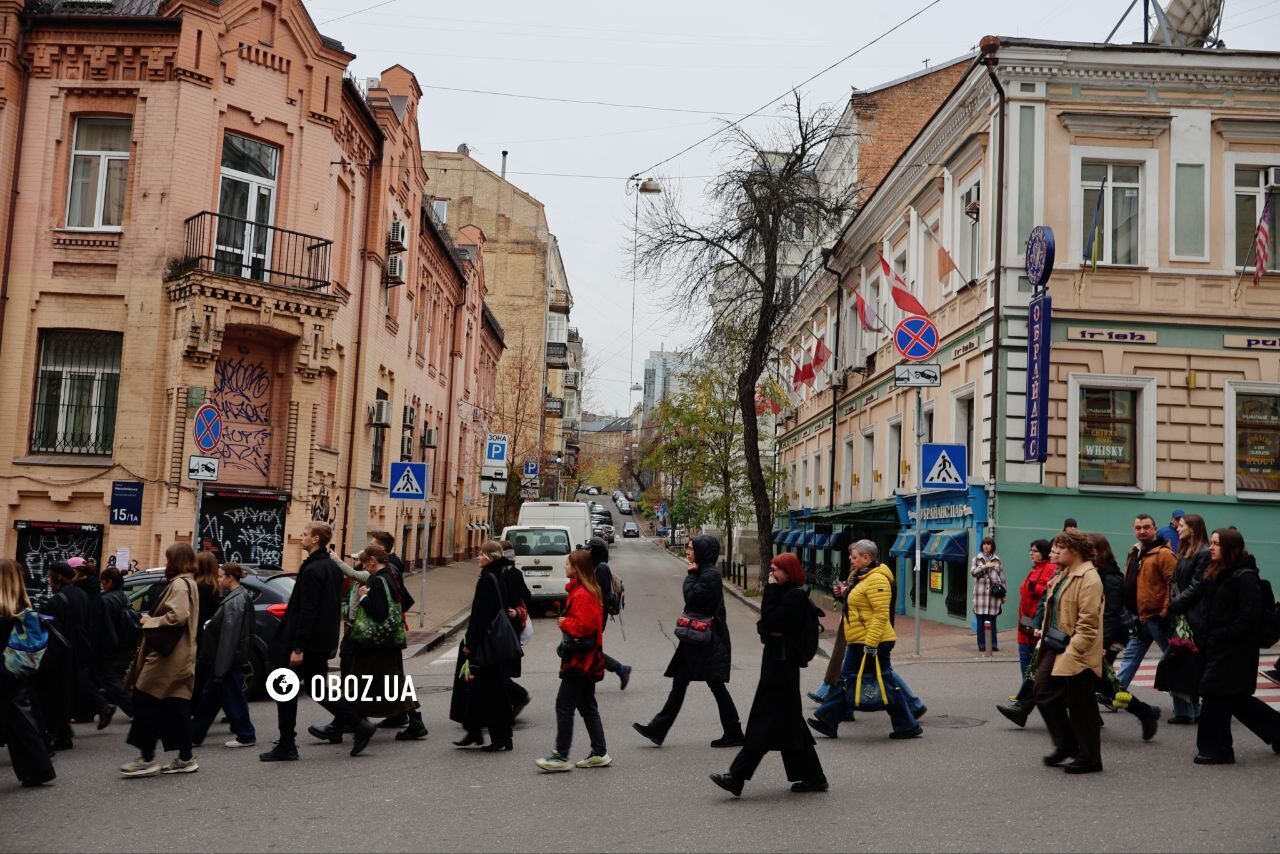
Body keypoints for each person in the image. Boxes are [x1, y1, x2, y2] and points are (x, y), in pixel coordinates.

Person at [711, 553, 826, 797]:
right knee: (791, 725)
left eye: (776, 570)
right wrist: (770, 626)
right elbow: (765, 629)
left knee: (762, 722)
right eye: (771, 568)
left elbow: (771, 621)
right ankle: (815, 777)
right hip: (777, 665)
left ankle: (736, 777)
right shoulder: (787, 595)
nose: (772, 573)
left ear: (789, 572)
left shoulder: (794, 597)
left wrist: (771, 603)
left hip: (782, 669)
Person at [260, 522, 376, 762]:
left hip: (304, 643)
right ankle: (360, 725)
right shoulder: (330, 567)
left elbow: (308, 610)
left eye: (304, 534)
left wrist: (298, 647)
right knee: (318, 689)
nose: (300, 537)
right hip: (320, 642)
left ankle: (287, 745)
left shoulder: (313, 569)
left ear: (315, 539)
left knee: (286, 690)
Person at [633, 535, 744, 748]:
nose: (688, 552)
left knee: (713, 685)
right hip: (699, 637)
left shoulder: (708, 575)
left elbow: (692, 599)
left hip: (707, 639)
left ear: (702, 552)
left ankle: (733, 732)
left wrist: (691, 577)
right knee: (684, 682)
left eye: (692, 549)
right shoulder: (705, 572)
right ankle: (659, 728)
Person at [808, 539, 922, 740]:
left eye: (854, 557)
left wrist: (871, 645)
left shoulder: (877, 579)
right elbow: (861, 605)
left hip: (872, 641)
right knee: (847, 679)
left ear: (866, 558)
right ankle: (828, 720)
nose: (851, 560)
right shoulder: (863, 576)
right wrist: (844, 594)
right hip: (859, 639)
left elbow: (880, 614)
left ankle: (907, 723)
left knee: (882, 681)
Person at [1193, 528, 1280, 764]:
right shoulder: (1217, 572)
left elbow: (1248, 617)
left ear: (1230, 548)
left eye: (1216, 544)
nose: (1210, 547)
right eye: (1210, 542)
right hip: (1218, 646)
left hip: (1235, 650)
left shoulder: (1244, 577)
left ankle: (1217, 750)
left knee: (1215, 695)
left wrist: (1220, 635)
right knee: (1237, 700)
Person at [120, 543, 202, 777]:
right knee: (177, 706)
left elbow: (178, 615)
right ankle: (186, 757)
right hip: (182, 655)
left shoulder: (178, 584)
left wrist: (150, 621)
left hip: (168, 657)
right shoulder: (190, 582)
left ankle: (147, 758)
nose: (166, 564)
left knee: (145, 699)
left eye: (168, 560)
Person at [1033, 530, 1104, 774]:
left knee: (1081, 704)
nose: (1055, 552)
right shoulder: (1065, 574)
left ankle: (1090, 758)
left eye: (1060, 548)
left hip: (1076, 649)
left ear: (1074, 551)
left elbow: (1088, 623)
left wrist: (1075, 652)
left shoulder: (1089, 578)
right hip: (1058, 644)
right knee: (1042, 691)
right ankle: (1067, 745)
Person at [535, 549, 610, 772]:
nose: (564, 567)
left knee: (564, 706)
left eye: (567, 564)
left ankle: (561, 756)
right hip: (587, 659)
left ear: (577, 569)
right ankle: (599, 752)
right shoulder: (583, 591)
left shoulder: (582, 594)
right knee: (587, 706)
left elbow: (584, 627)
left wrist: (565, 623)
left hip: (580, 661)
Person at [455, 541, 518, 752]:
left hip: (486, 644)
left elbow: (480, 617)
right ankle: (492, 734)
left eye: (481, 554)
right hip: (497, 643)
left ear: (490, 558)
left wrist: (470, 644)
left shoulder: (486, 581)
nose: (477, 557)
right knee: (493, 690)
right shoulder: (500, 576)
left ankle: (499, 737)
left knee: (491, 692)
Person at [41, 561, 114, 745]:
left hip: (62, 651)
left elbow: (52, 629)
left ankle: (60, 733)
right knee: (74, 686)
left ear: (57, 577)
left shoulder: (56, 600)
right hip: (80, 648)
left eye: (50, 576)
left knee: (58, 691)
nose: (48, 580)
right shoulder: (81, 594)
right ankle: (65, 730)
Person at [0, 558, 57, 787]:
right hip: (17, 668)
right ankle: (38, 768)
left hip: (3, 669)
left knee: (18, 719)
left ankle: (38, 769)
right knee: (20, 718)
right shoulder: (23, 605)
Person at [190, 563, 256, 749]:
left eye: (220, 576)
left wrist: (221, 666)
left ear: (230, 578)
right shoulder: (236, 597)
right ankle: (195, 735)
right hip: (222, 659)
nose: (218, 579)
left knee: (228, 696)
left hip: (224, 659)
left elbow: (230, 636)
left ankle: (246, 735)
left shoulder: (235, 601)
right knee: (212, 697)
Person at [1114, 514, 1177, 690]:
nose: (1142, 531)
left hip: (1157, 617)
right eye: (1138, 528)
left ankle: (1191, 704)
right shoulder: (1134, 551)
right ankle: (1114, 694)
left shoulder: (1164, 554)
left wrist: (1166, 611)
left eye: (1146, 527)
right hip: (1137, 616)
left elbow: (1172, 585)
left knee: (1174, 659)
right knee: (1130, 657)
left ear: (1155, 528)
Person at [1166, 513, 1210, 724]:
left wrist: (1175, 603)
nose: (1178, 529)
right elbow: (1175, 580)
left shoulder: (1202, 553)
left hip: (1193, 616)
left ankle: (1188, 711)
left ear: (1193, 528)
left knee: (1182, 662)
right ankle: (1190, 710)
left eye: (1181, 525)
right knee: (1183, 663)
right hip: (1182, 614)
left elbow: (1197, 585)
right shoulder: (1185, 551)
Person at [588, 536, 632, 690]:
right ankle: (618, 670)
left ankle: (620, 669)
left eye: (590, 549)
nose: (588, 551)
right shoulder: (597, 567)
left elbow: (601, 591)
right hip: (595, 613)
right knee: (592, 649)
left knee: (591, 649)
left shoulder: (601, 568)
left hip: (598, 614)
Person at [98, 566, 137, 719]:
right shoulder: (123, 597)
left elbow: (105, 627)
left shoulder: (106, 600)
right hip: (125, 645)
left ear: (109, 582)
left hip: (113, 647)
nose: (102, 585)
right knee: (113, 679)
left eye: (103, 581)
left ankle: (135, 709)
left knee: (110, 680)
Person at [1017, 540, 1057, 677]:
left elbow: (1050, 593)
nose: (1031, 553)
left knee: (1035, 665)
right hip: (1025, 623)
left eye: (1034, 551)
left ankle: (1031, 695)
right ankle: (1025, 693)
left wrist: (1036, 588)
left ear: (1043, 552)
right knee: (1025, 661)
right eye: (1031, 550)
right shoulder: (1034, 568)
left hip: (1036, 625)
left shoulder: (1050, 569)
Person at [191, 552, 222, 711]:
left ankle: (196, 708)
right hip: (211, 637)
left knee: (199, 675)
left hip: (197, 636)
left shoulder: (197, 588)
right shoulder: (216, 588)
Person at [971, 536, 1007, 656]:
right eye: (984, 544)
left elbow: (1002, 579)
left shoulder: (997, 561)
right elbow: (973, 573)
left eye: (989, 544)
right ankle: (982, 644)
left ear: (992, 546)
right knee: (981, 622)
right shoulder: (977, 559)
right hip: (980, 597)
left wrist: (1003, 595)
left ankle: (993, 644)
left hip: (993, 597)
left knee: (992, 621)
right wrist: (985, 566)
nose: (986, 546)